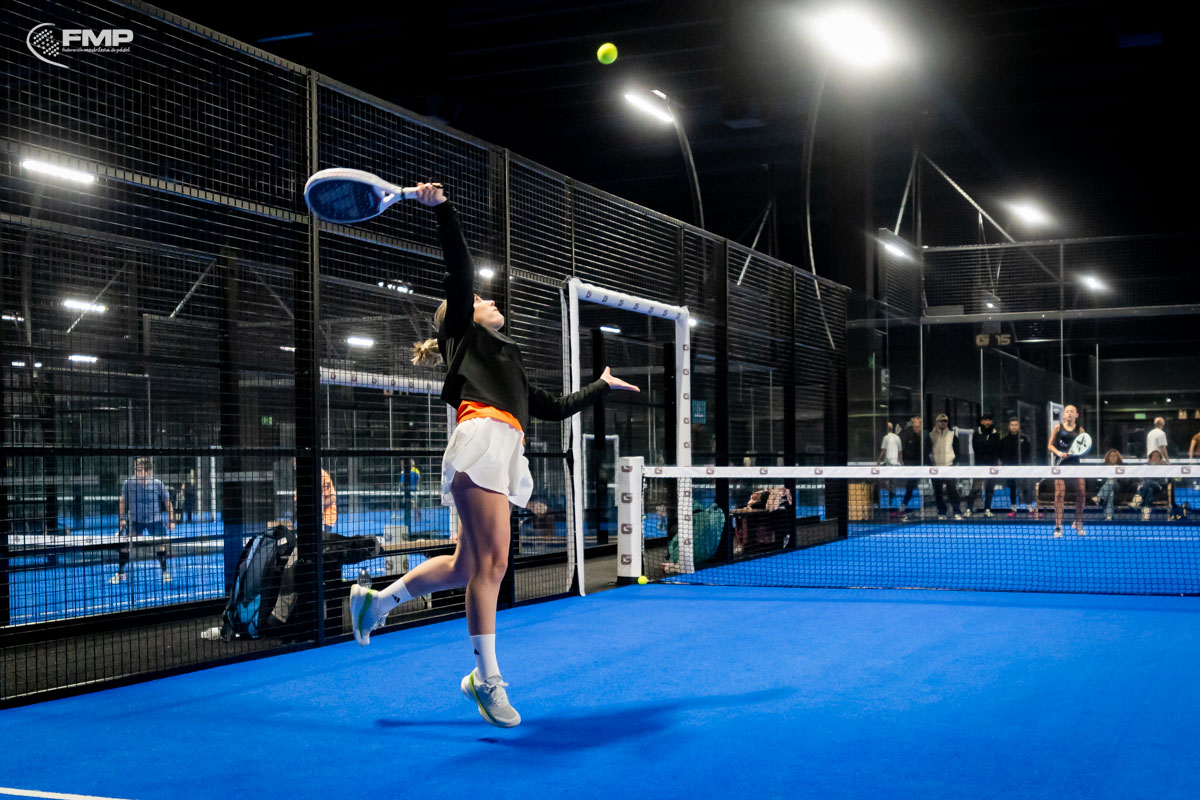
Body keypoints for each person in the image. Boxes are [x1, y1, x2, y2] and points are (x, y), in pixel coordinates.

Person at [347, 183, 639, 728]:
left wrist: (601, 385)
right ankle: (486, 681)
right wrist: (443, 210)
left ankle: (376, 603)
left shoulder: (508, 358)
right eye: (482, 300)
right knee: (493, 567)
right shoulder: (462, 332)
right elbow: (459, 272)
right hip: (480, 440)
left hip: (503, 449)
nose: (489, 301)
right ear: (464, 315)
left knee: (467, 565)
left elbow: (551, 407)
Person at [111, 457, 174, 584]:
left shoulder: (157, 484)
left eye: (140, 470)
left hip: (154, 520)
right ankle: (120, 573)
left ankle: (165, 572)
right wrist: (122, 519)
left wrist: (171, 520)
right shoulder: (128, 483)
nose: (137, 472)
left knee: (159, 546)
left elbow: (167, 501)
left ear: (148, 471)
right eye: (136, 469)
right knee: (125, 546)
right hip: (135, 521)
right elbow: (122, 501)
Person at [1048, 404, 1087, 537]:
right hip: (1060, 464)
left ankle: (1078, 522)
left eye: (1072, 412)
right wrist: (1060, 453)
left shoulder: (1080, 430)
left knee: (1081, 492)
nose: (1069, 413)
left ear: (1076, 415)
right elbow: (1050, 445)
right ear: (1064, 414)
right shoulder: (1058, 428)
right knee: (1059, 494)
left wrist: (1074, 453)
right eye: (1067, 411)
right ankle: (1058, 526)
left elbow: (1084, 447)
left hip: (1075, 464)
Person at [928, 413, 963, 520]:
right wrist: (930, 464)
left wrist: (953, 463)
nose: (943, 423)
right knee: (938, 492)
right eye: (941, 421)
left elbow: (957, 451)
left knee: (952, 490)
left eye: (945, 421)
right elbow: (926, 451)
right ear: (937, 422)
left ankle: (956, 511)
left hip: (949, 467)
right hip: (936, 468)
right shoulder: (930, 435)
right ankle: (942, 512)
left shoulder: (952, 435)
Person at [999, 416, 1036, 517]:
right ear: (1009, 426)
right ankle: (1013, 510)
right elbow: (1000, 453)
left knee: (1025, 488)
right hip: (1009, 468)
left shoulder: (1024, 438)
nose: (1014, 427)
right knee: (1012, 488)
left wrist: (1026, 465)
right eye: (1012, 425)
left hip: (1022, 468)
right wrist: (1006, 464)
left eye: (1016, 425)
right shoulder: (1004, 440)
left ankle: (1030, 510)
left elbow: (1028, 452)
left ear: (1018, 426)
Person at [967, 412, 1000, 517]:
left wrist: (986, 446)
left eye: (989, 420)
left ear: (992, 422)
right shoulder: (976, 434)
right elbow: (977, 449)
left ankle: (987, 510)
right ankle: (968, 509)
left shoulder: (996, 434)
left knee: (989, 489)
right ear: (982, 421)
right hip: (979, 466)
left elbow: (995, 449)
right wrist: (988, 446)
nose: (987, 422)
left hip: (992, 466)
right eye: (985, 420)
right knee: (975, 489)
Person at [292, 457, 337, 533]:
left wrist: (317, 506)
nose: (295, 468)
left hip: (325, 519)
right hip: (308, 518)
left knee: (321, 537)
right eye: (295, 466)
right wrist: (292, 521)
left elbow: (333, 498)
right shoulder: (302, 478)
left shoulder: (323, 476)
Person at [1130, 450, 1169, 521]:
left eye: (1158, 456)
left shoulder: (1164, 468)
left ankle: (1137, 501)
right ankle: (1146, 516)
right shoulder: (1145, 467)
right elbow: (1139, 478)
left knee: (1148, 482)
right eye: (1154, 456)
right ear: (1150, 458)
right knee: (1149, 490)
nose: (1156, 457)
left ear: (1160, 459)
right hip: (1147, 487)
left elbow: (1164, 481)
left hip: (1158, 487)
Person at [1092, 449, 1129, 521]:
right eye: (1111, 456)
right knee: (1111, 493)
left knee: (1111, 482)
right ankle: (1108, 517)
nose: (1113, 457)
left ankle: (1100, 498)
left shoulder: (1123, 466)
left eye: (1115, 456)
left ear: (1118, 457)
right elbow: (1098, 480)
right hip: (1106, 488)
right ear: (1108, 457)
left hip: (1118, 487)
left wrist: (1116, 480)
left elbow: (1126, 480)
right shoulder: (1102, 467)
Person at [898, 415, 923, 520]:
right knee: (910, 486)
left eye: (920, 422)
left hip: (921, 465)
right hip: (909, 465)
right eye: (917, 421)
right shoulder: (905, 434)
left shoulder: (923, 435)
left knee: (914, 486)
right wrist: (902, 463)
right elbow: (901, 450)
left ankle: (909, 509)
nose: (919, 423)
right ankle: (903, 509)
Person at [877, 421, 902, 513]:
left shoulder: (886, 438)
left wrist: (878, 460)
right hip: (895, 463)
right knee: (891, 483)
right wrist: (901, 462)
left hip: (888, 463)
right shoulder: (897, 438)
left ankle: (891, 494)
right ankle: (891, 493)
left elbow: (884, 451)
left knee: (883, 481)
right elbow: (900, 452)